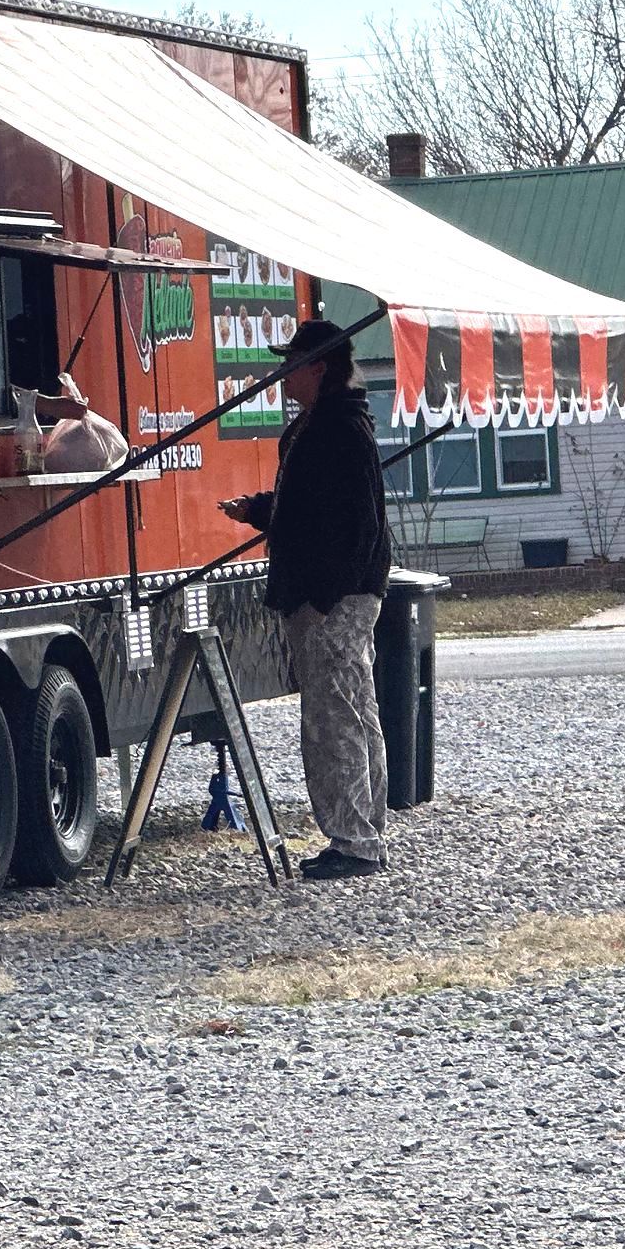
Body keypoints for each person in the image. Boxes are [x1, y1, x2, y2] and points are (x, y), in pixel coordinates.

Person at [220, 317, 391, 881]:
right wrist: (261, 511)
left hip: (333, 600)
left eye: (291, 362)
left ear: (318, 368)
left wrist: (322, 598)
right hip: (339, 594)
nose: (282, 374)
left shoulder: (338, 430)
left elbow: (357, 526)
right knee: (355, 712)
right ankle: (365, 836)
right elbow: (311, 509)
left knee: (333, 720)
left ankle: (354, 842)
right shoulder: (328, 424)